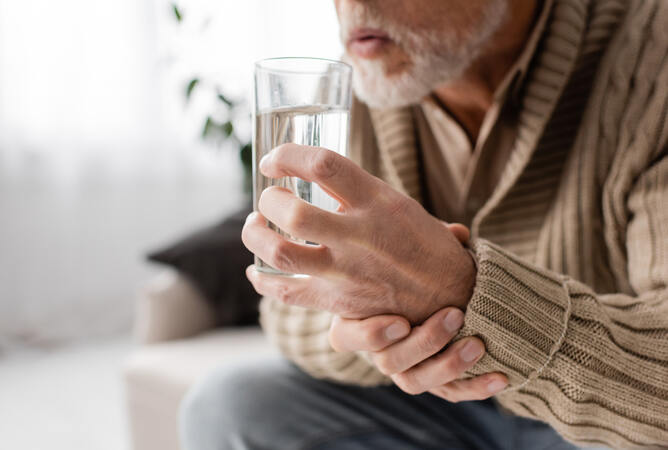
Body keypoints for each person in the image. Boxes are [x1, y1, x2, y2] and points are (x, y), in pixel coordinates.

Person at [181, 0, 668, 448]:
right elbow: (289, 304)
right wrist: (387, 328)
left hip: (603, 422)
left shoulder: (652, 53)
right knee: (230, 406)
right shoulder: (372, 70)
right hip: (436, 412)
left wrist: (461, 295)